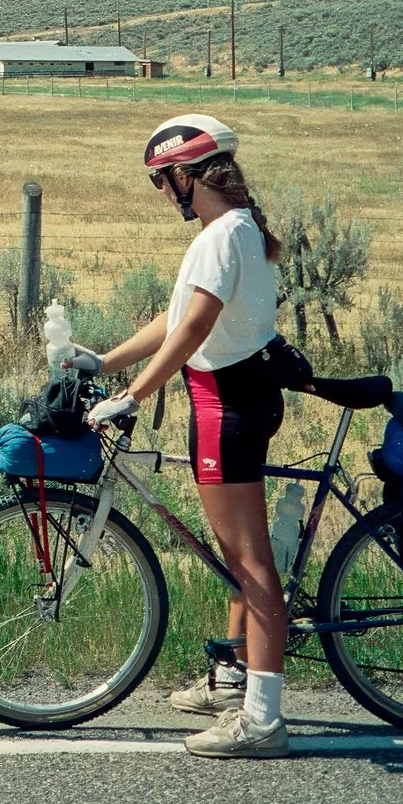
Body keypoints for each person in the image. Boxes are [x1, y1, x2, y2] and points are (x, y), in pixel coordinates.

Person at [91, 113, 294, 759]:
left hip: (226, 405)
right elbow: (176, 316)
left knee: (253, 563)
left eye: (161, 182)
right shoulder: (238, 228)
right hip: (238, 397)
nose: (161, 194)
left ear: (185, 176)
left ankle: (262, 718)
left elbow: (192, 329)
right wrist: (106, 363)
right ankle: (235, 675)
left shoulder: (220, 238)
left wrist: (132, 395)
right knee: (241, 556)